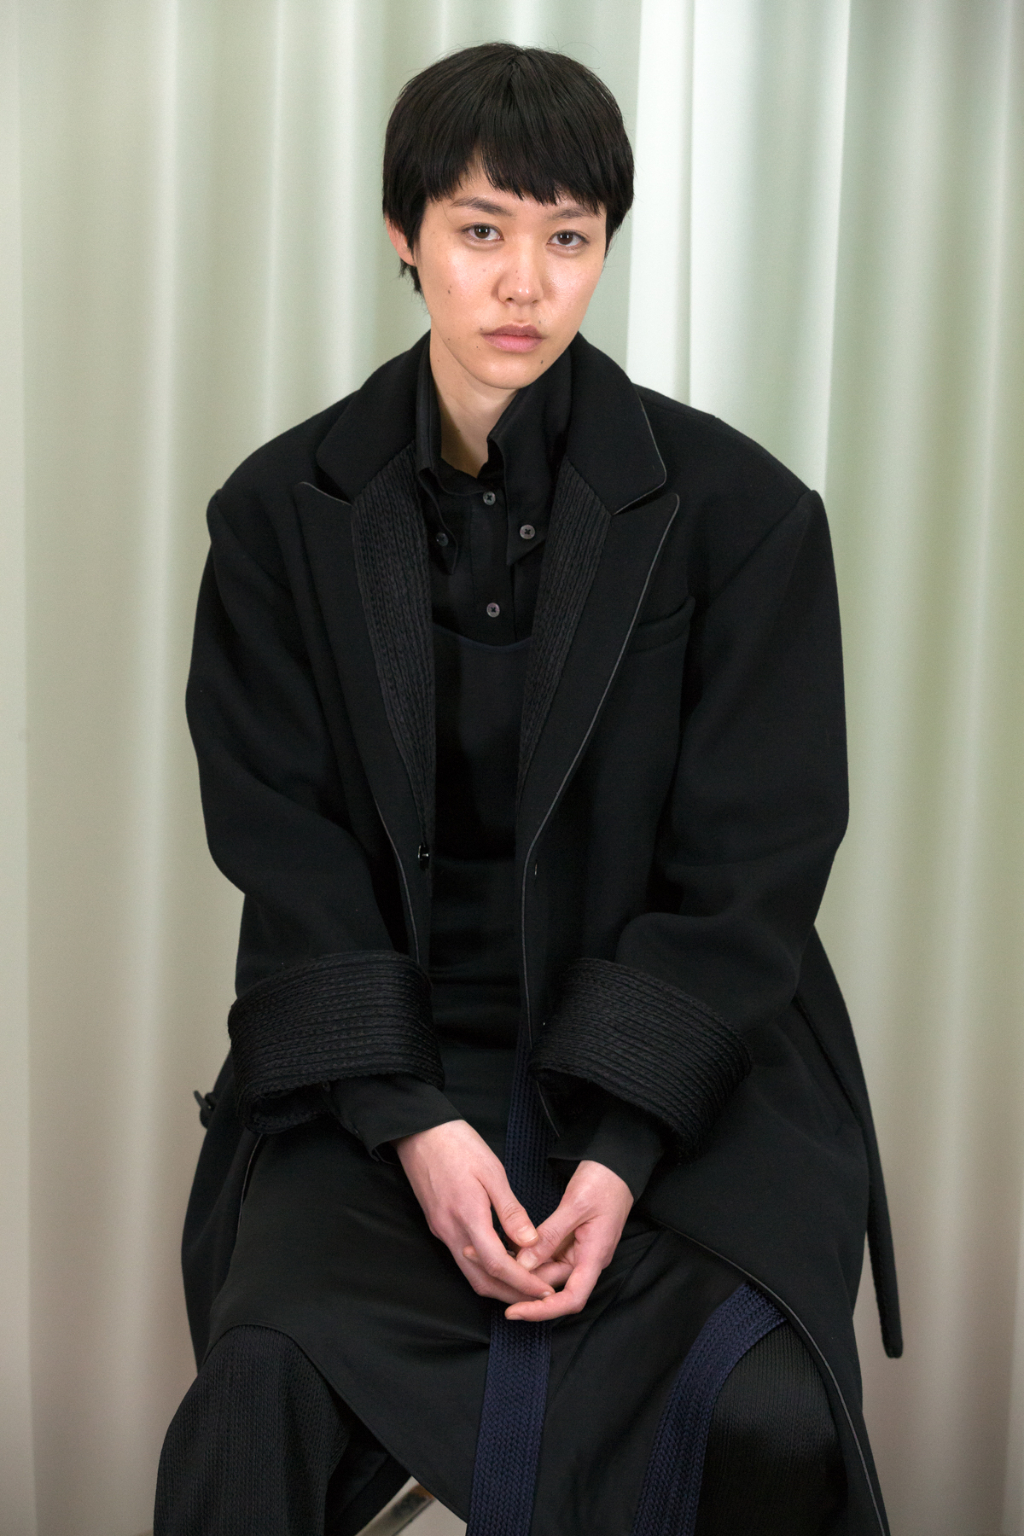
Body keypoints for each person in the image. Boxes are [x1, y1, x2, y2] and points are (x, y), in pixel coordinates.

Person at [155, 41, 901, 1536]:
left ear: (605, 246)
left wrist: (620, 1147)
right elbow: (286, 852)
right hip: (381, 1069)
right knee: (256, 1389)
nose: (524, 285)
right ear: (404, 233)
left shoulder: (744, 515)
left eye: (568, 239)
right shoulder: (279, 515)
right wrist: (413, 1121)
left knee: (764, 1409)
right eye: (482, 230)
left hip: (683, 1075)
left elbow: (752, 870)